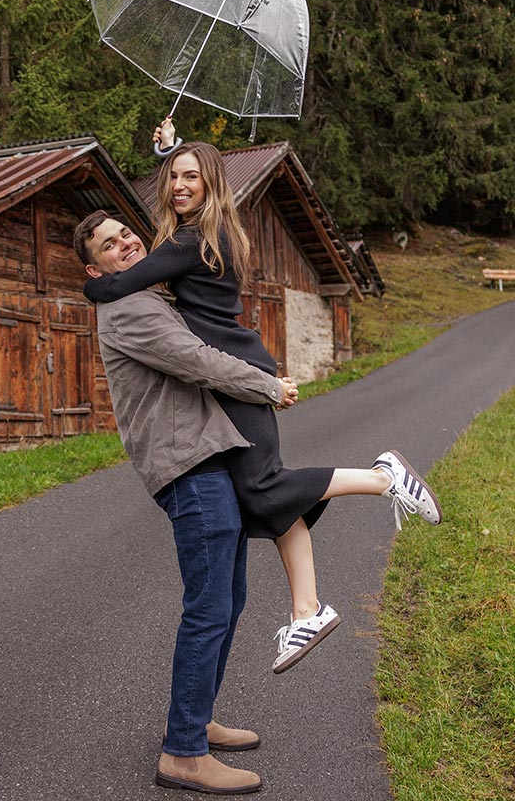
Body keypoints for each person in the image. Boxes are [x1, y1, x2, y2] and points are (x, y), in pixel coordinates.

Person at [83, 121, 442, 674]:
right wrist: (170, 151)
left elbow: (117, 282)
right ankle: (308, 608)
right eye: (173, 178)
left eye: (190, 179)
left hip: (238, 372)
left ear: (212, 185)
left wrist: (91, 285)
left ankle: (382, 477)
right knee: (262, 498)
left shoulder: (187, 245)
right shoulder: (208, 231)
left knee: (264, 486)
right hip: (240, 365)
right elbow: (169, 207)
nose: (178, 185)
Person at [74, 209, 294, 796]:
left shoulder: (151, 292)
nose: (124, 244)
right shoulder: (129, 307)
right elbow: (196, 361)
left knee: (230, 596)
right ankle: (183, 753)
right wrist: (268, 385)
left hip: (206, 456)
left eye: (126, 234)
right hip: (187, 466)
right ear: (95, 267)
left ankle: (196, 720)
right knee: (208, 606)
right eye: (108, 245)